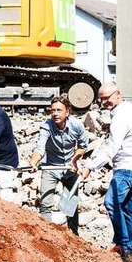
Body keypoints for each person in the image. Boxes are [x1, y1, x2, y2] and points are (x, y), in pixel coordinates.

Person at [79, 82, 132, 258]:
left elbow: (111, 148)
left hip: (127, 168)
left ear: (117, 94)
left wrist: (90, 167)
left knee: (111, 202)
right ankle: (131, 248)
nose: (104, 102)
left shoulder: (121, 117)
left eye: (107, 98)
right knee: (128, 208)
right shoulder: (129, 109)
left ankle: (122, 245)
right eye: (101, 99)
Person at [29, 95, 88, 235]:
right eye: (52, 110)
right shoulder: (46, 127)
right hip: (51, 168)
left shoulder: (77, 125)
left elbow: (83, 146)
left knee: (71, 204)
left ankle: (74, 235)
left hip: (70, 168)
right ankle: (47, 236)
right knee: (45, 204)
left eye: (59, 110)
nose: (55, 114)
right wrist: (33, 162)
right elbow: (40, 147)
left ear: (67, 112)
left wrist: (74, 160)